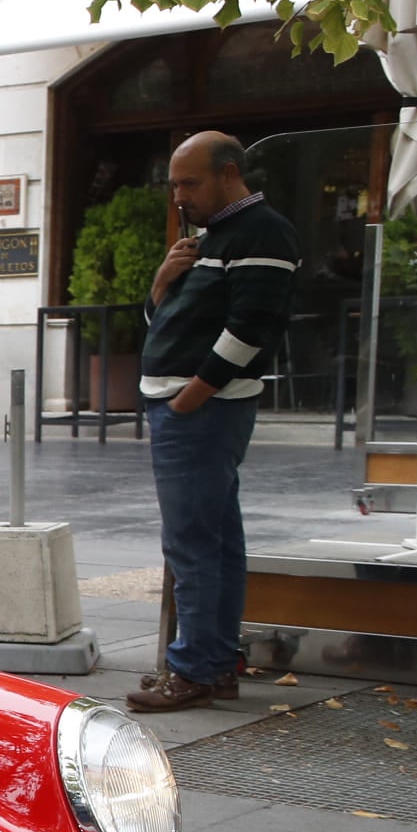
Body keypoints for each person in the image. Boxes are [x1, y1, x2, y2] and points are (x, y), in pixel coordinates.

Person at [127, 131, 299, 712]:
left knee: (193, 541)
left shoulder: (260, 232)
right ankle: (215, 661)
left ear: (229, 174)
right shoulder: (212, 237)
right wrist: (162, 282)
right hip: (189, 403)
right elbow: (166, 322)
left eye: (190, 182)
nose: (179, 195)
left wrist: (192, 396)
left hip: (201, 409)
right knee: (216, 538)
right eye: (175, 183)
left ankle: (196, 667)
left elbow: (253, 325)